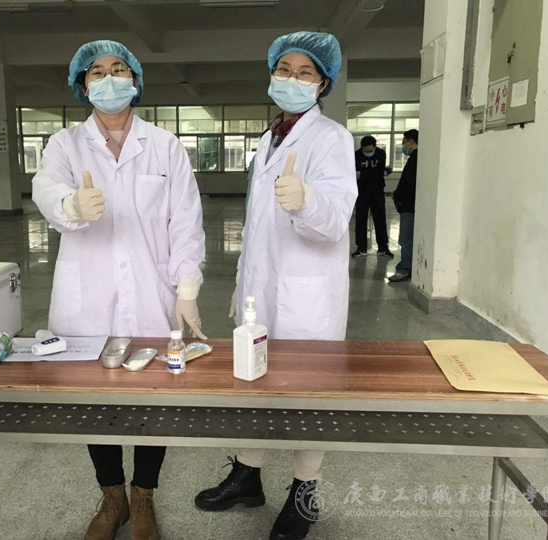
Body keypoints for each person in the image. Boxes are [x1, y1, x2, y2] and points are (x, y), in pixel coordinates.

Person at [32, 40, 207, 540]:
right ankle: (112, 498)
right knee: (94, 400)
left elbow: (186, 221)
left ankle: (143, 495)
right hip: (88, 299)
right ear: (81, 85)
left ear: (135, 79)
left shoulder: (165, 145)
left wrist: (187, 286)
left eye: (118, 69)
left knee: (156, 398)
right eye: (96, 72)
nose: (108, 80)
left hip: (152, 294)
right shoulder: (65, 144)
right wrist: (70, 205)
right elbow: (46, 189)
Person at [195, 32, 357, 540]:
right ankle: (248, 475)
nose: (292, 79)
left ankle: (305, 491)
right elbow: (257, 225)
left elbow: (334, 220)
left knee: (310, 392)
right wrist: (241, 281)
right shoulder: (270, 138)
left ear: (323, 83)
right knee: (252, 381)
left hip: (308, 295)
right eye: (284, 69)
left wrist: (306, 200)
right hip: (260, 291)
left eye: (305, 72)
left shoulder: (331, 138)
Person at [352, 135, 393, 257]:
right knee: (360, 219)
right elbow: (356, 173)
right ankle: (361, 248)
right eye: (366, 151)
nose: (368, 153)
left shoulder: (381, 153)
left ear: (375, 147)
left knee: (380, 219)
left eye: (370, 151)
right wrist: (376, 173)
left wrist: (363, 174)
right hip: (362, 191)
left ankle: (383, 247)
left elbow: (378, 172)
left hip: (377, 191)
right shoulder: (356, 155)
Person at [389, 129, 419, 282]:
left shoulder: (416, 159)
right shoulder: (416, 157)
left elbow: (408, 183)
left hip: (409, 205)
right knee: (409, 239)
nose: (404, 146)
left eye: (404, 142)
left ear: (411, 141)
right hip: (410, 204)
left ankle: (404, 269)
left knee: (405, 240)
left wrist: (398, 197)